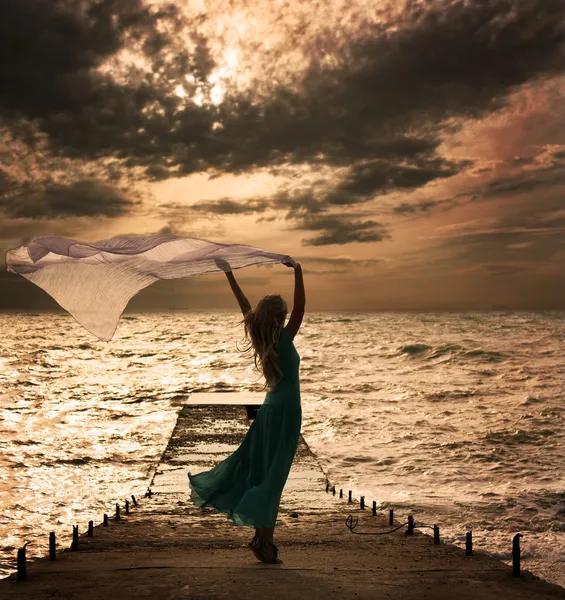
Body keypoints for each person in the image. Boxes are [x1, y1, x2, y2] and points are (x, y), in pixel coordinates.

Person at [187, 258, 305, 563]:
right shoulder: (284, 337)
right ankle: (264, 542)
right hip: (287, 412)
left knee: (264, 472)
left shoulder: (262, 337)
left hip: (269, 411)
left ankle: (260, 537)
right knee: (274, 477)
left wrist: (229, 274)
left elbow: (243, 306)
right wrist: (299, 272)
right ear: (281, 317)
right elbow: (301, 306)